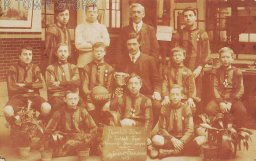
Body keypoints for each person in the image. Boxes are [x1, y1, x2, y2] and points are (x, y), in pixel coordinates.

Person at [117, 32, 162, 125]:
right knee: (114, 104)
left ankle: (151, 131)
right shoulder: (121, 60)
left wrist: (157, 92)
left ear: (139, 44)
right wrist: (117, 90)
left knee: (157, 105)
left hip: (146, 94)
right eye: (129, 44)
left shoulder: (149, 60)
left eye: (134, 44)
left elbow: (156, 79)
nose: (132, 47)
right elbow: (117, 79)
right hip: (127, 94)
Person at [4, 46, 51, 125]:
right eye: (25, 54)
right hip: (18, 97)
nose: (28, 56)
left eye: (30, 54)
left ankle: (36, 123)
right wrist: (29, 88)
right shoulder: (13, 68)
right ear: (20, 56)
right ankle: (16, 124)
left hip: (34, 96)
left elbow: (40, 84)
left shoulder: (35, 68)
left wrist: (24, 85)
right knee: (7, 110)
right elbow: (12, 86)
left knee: (47, 108)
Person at [172, 7, 211, 104]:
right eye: (185, 16)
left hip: (196, 68)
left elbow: (207, 52)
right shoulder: (179, 33)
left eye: (190, 15)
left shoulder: (202, 33)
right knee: (182, 91)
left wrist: (200, 67)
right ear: (183, 19)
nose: (188, 18)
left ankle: (196, 116)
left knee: (196, 93)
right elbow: (175, 51)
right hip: (182, 67)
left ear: (195, 17)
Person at [45, 89, 97, 157]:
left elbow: (93, 127)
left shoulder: (83, 111)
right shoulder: (59, 113)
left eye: (75, 99)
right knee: (59, 143)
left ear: (78, 99)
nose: (73, 101)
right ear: (65, 100)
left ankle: (78, 149)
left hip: (80, 138)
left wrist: (87, 138)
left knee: (95, 139)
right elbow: (49, 129)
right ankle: (73, 150)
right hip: (65, 139)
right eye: (70, 99)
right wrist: (56, 136)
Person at [148, 84, 194, 159]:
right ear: (169, 96)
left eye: (177, 94)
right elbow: (161, 128)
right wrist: (173, 139)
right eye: (172, 94)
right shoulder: (165, 108)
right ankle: (179, 150)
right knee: (156, 139)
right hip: (169, 138)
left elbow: (190, 129)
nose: (175, 97)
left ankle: (168, 152)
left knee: (199, 141)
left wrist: (181, 141)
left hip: (182, 137)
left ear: (181, 96)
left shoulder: (186, 108)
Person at [205, 47, 247, 127]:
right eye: (223, 57)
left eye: (228, 57)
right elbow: (214, 87)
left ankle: (236, 131)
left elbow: (240, 89)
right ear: (220, 59)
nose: (225, 59)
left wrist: (230, 102)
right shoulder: (216, 71)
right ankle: (218, 128)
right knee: (209, 109)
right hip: (219, 98)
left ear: (232, 58)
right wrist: (220, 102)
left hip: (233, 99)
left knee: (242, 111)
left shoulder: (237, 71)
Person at [75, 4, 110, 75]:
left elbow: (106, 43)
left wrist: (89, 43)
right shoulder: (80, 27)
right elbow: (78, 45)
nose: (92, 14)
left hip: (99, 63)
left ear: (97, 14)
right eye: (89, 12)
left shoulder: (102, 27)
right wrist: (98, 45)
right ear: (86, 13)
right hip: (84, 61)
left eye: (94, 12)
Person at [162, 47, 197, 113]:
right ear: (172, 57)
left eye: (179, 55)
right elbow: (165, 84)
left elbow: (191, 87)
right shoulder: (167, 70)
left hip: (183, 97)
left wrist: (190, 98)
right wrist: (166, 96)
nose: (177, 57)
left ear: (184, 57)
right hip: (171, 97)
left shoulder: (188, 71)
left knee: (191, 107)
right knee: (164, 107)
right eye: (175, 55)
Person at [45, 43, 80, 110]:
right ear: (56, 53)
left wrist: (60, 83)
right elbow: (50, 86)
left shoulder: (73, 67)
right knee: (57, 105)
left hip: (71, 95)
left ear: (68, 53)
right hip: (57, 96)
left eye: (65, 51)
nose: (63, 54)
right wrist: (70, 83)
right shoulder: (51, 68)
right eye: (60, 51)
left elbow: (77, 82)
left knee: (82, 104)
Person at [42, 3, 73, 73]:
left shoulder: (67, 30)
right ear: (57, 17)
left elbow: (69, 50)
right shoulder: (53, 30)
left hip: (64, 64)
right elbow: (49, 52)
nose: (65, 17)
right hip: (54, 65)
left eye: (66, 14)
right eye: (62, 15)